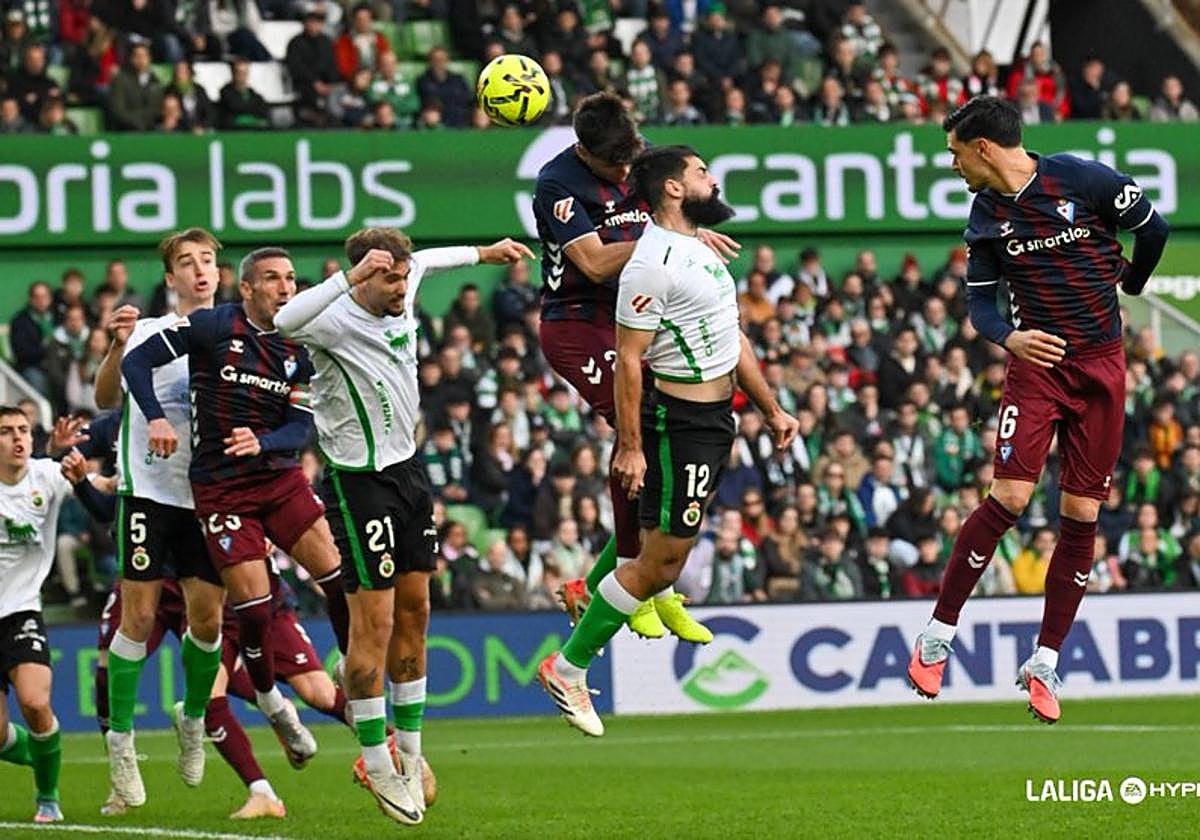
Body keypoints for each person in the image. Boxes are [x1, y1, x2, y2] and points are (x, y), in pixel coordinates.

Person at [907, 95, 1169, 723]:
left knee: (1082, 514)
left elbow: (1154, 228)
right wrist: (1011, 338)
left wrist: (1132, 283)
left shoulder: (1082, 179)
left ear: (983, 148)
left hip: (1102, 367)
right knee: (1010, 498)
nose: (954, 166)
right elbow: (980, 305)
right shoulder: (985, 216)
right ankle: (937, 635)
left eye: (955, 154)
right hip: (1038, 368)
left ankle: (1045, 662)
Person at [537, 145, 799, 736]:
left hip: (715, 422)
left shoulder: (698, 250)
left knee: (658, 554)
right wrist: (630, 446)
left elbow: (732, 336)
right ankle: (567, 667)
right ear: (674, 189)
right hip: (679, 424)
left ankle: (586, 596)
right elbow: (629, 360)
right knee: (660, 564)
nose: (713, 179)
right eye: (702, 172)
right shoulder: (651, 263)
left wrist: (771, 408)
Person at [274, 227, 530, 824]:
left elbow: (430, 261)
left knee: (416, 611)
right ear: (364, 275)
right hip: (358, 483)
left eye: (402, 275)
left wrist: (484, 253)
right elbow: (284, 319)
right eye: (388, 277)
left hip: (408, 475)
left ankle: (410, 757)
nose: (401, 286)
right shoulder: (330, 319)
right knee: (377, 625)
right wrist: (349, 278)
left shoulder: (406, 282)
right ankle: (377, 761)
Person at [120, 245, 353, 776]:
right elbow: (137, 362)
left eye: (290, 278)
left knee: (339, 579)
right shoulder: (213, 326)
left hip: (277, 478)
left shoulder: (299, 344)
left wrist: (263, 441)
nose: (285, 287)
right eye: (272, 278)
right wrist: (155, 417)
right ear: (246, 288)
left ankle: (351, 670)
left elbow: (301, 425)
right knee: (252, 610)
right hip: (221, 488)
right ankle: (269, 698)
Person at [534, 92, 736, 645]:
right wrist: (671, 238)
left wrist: (685, 232)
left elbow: (673, 212)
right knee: (637, 435)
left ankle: (609, 584)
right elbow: (596, 261)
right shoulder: (557, 184)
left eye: (631, 160)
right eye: (613, 165)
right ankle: (638, 577)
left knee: (668, 433)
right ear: (584, 152)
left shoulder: (638, 157)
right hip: (578, 323)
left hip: (637, 315)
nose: (626, 173)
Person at [89, 229, 228, 809]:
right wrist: (115, 346)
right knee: (139, 616)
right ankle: (121, 744)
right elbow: (104, 399)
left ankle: (192, 719)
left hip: (207, 495)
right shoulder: (148, 331)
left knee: (208, 623)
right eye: (187, 263)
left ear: (219, 271)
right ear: (171, 278)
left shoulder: (235, 333)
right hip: (147, 491)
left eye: (207, 260)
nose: (199, 270)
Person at [0, 406, 74, 822]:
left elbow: (94, 484)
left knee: (34, 701)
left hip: (21, 610)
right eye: (6, 431)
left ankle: (48, 798)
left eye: (23, 430)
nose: (17, 438)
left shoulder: (46, 475)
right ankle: (47, 755)